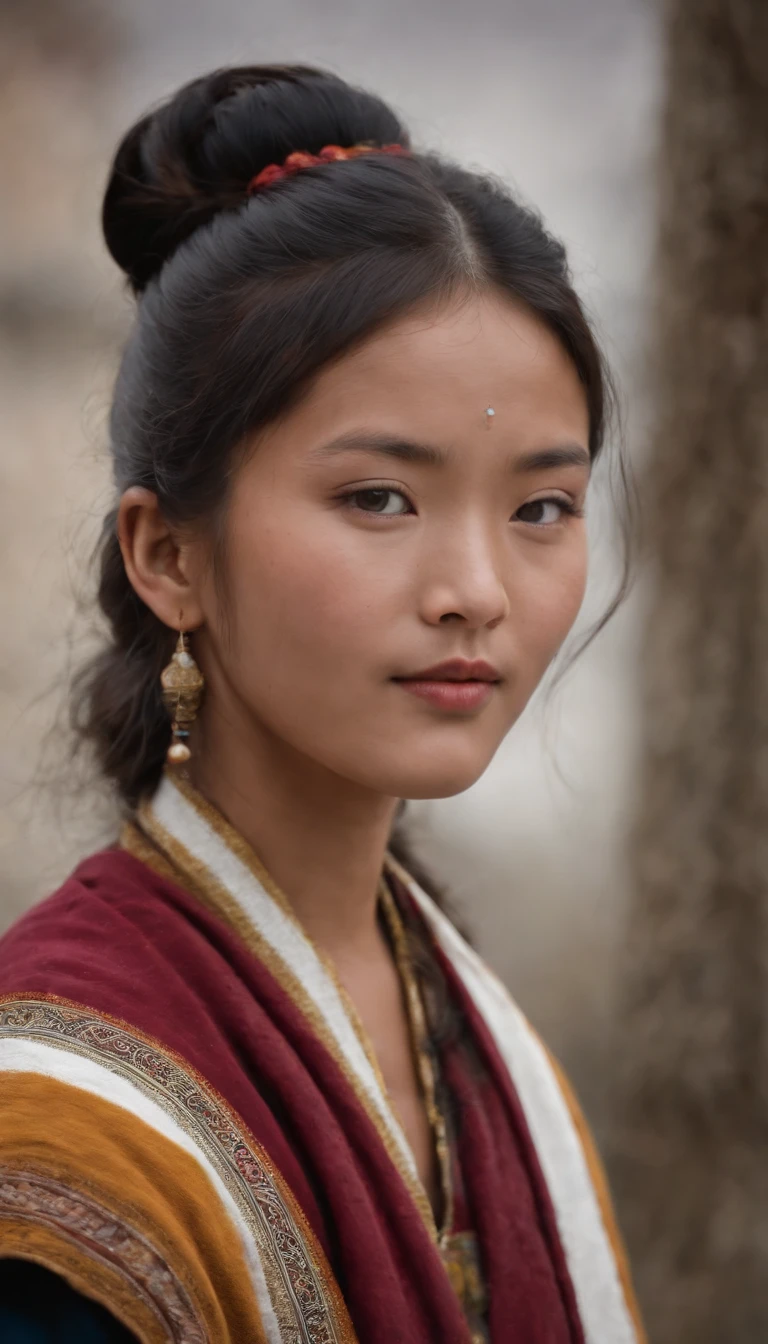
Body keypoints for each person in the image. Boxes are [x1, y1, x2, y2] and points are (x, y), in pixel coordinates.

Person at [0, 64, 644, 1344]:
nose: (476, 590)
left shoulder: (476, 1037)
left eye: (542, 509)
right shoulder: (57, 1135)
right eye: (380, 500)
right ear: (168, 554)